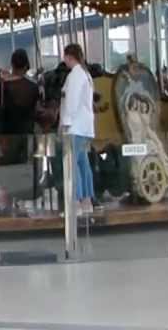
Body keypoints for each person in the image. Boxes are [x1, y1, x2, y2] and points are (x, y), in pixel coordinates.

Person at [59, 43, 96, 213]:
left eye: (64, 57)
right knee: (83, 163)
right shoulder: (86, 75)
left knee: (72, 165)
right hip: (85, 126)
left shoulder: (75, 76)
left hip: (75, 126)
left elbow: (71, 102)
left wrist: (66, 123)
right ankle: (87, 200)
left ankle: (76, 202)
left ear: (68, 56)